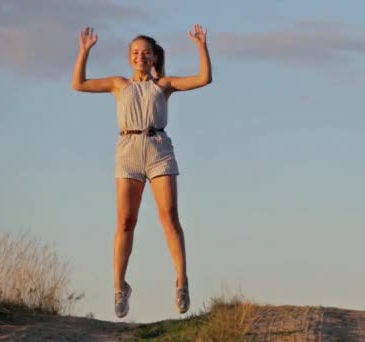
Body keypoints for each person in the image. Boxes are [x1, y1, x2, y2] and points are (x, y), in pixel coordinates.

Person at [71, 24, 212, 318]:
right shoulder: (119, 84)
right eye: (135, 52)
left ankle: (182, 281)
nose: (140, 57)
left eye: (146, 53)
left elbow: (204, 79)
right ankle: (120, 288)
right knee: (125, 222)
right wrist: (84, 51)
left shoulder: (164, 85)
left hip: (158, 148)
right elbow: (79, 84)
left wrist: (201, 46)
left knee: (169, 216)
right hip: (128, 151)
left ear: (154, 58)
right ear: (129, 56)